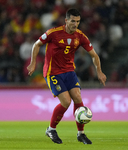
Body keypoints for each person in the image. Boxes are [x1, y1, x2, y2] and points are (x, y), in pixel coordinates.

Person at [27, 8, 107, 144]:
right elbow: (36, 44)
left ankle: (81, 133)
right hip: (53, 72)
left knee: (77, 97)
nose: (75, 24)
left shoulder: (80, 36)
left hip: (69, 71)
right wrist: (33, 63)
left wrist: (99, 71)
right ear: (66, 20)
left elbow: (94, 55)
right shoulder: (54, 33)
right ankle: (51, 129)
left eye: (78, 21)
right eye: (72, 21)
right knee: (66, 101)